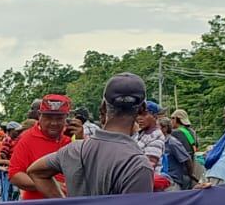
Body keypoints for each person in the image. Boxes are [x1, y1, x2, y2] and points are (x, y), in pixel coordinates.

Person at [26, 74, 156, 198]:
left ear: (103, 106)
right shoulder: (138, 165)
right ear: (143, 109)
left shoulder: (74, 150)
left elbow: (36, 171)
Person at [8, 95, 73, 200]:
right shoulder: (26, 139)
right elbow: (15, 175)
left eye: (59, 118)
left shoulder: (70, 140)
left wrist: (79, 139)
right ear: (39, 115)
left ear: (66, 117)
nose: (54, 123)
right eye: (48, 117)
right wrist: (49, 185)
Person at [160, 116, 195, 190]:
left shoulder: (172, 142)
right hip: (160, 180)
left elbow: (187, 159)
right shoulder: (159, 142)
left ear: (165, 128)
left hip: (172, 181)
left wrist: (190, 175)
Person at [133, 101, 167, 171]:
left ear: (154, 116)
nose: (139, 118)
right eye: (138, 114)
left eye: (144, 114)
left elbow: (148, 166)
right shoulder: (141, 134)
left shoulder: (156, 138)